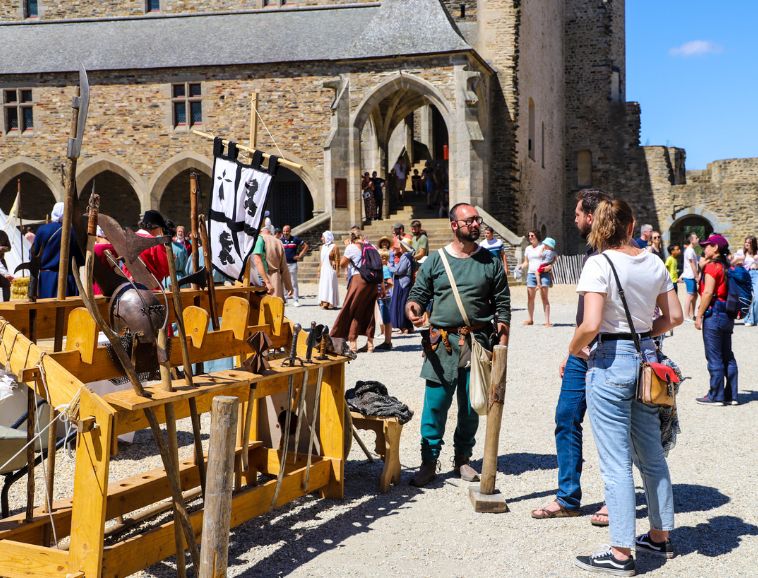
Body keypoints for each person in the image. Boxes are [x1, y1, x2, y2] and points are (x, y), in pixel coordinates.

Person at [570, 198, 682, 576]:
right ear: (632, 225)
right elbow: (675, 316)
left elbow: (591, 323)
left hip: (609, 358)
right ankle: (660, 535)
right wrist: (645, 335)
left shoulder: (598, 264)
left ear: (599, 226)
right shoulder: (652, 261)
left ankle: (620, 551)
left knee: (616, 461)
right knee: (651, 455)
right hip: (646, 357)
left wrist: (573, 348)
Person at [405, 203, 510, 487]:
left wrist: (501, 345)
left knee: (471, 405)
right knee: (435, 405)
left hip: (478, 343)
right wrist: (413, 307)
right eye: (470, 221)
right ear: (455, 225)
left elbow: (502, 304)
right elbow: (418, 294)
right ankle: (428, 462)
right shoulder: (435, 261)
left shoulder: (489, 262)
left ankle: (463, 459)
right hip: (442, 344)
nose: (476, 225)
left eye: (477, 220)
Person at [531, 188, 611, 525]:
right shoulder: (592, 252)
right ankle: (568, 497)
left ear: (591, 217)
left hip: (610, 350)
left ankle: (614, 499)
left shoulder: (615, 253)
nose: (574, 219)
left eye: (577, 214)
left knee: (613, 429)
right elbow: (584, 313)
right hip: (582, 352)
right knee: (566, 417)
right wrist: (571, 348)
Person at [694, 234, 739, 406]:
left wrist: (699, 315)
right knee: (728, 355)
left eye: (707, 245)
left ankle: (716, 396)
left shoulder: (713, 267)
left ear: (716, 248)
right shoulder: (727, 267)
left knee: (714, 356)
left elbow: (708, 293)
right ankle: (732, 395)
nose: (704, 248)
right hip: (727, 313)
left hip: (714, 314)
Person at [330, 230, 378, 353]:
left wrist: (347, 248)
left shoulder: (351, 247)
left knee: (351, 310)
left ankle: (353, 344)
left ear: (352, 239)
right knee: (369, 311)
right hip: (373, 282)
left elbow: (342, 264)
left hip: (359, 280)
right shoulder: (372, 246)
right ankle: (370, 345)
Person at [31, 201, 85, 298]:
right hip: (68, 278)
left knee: (47, 310)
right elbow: (81, 259)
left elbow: (34, 256)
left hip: (47, 279)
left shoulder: (43, 230)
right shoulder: (74, 232)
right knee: (68, 310)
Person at [133, 210, 170, 284]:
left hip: (129, 287)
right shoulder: (155, 243)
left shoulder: (128, 238)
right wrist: (170, 258)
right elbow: (166, 270)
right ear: (155, 227)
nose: (160, 231)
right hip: (151, 289)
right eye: (160, 228)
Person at [389, 239, 416, 335]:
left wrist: (390, 266)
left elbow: (399, 271)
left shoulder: (405, 256)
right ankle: (409, 327)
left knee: (401, 304)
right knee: (404, 304)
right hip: (406, 282)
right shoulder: (410, 255)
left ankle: (404, 327)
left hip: (402, 283)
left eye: (402, 245)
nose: (400, 247)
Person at [520, 230, 547, 325]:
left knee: (544, 298)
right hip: (531, 274)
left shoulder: (543, 246)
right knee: (530, 298)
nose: (530, 237)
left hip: (542, 274)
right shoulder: (528, 248)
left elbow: (550, 257)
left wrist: (549, 267)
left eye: (532, 235)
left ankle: (547, 321)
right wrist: (520, 266)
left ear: (537, 236)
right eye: (529, 236)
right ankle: (530, 319)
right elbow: (526, 262)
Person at [731, 235, 758, 326]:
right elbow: (731, 264)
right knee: (747, 297)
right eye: (746, 242)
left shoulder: (757, 253)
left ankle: (755, 319)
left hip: (755, 274)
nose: (747, 244)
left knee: (757, 298)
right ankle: (749, 320)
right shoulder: (740, 252)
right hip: (744, 276)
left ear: (753, 244)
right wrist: (738, 259)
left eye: (749, 243)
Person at [261, 226, 293, 300]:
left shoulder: (254, 240)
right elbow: (284, 267)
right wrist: (289, 286)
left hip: (257, 278)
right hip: (274, 278)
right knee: (274, 306)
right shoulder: (278, 242)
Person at [281, 224, 308, 307]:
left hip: (292, 264)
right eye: (284, 231)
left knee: (294, 282)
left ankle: (295, 299)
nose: (285, 233)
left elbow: (306, 246)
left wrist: (300, 255)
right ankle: (285, 299)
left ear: (290, 231)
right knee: (284, 282)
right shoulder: (280, 240)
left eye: (287, 231)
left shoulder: (295, 239)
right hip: (283, 264)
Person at [318, 230, 340, 310]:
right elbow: (321, 260)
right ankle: (324, 302)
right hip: (324, 269)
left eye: (323, 237)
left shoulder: (334, 246)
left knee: (330, 285)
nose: (322, 238)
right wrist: (319, 270)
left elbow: (337, 259)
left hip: (331, 269)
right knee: (324, 286)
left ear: (327, 237)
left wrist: (337, 271)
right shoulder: (322, 247)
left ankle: (331, 303)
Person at [376, 249, 393, 350]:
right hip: (384, 296)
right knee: (385, 318)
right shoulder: (383, 268)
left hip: (384, 297)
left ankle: (387, 341)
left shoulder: (384, 269)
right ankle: (387, 341)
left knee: (386, 319)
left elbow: (390, 283)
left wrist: (382, 291)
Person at [681, 232, 700, 320]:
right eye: (696, 238)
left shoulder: (691, 250)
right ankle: (686, 315)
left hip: (691, 276)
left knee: (695, 295)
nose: (698, 239)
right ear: (692, 240)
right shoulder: (689, 251)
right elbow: (692, 265)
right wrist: (697, 276)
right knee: (690, 295)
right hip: (689, 276)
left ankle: (692, 314)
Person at [0, 230, 12, 302]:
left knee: (6, 284)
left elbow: (9, 247)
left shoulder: (3, 234)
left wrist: (2, 248)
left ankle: (6, 304)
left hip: (1, 260)